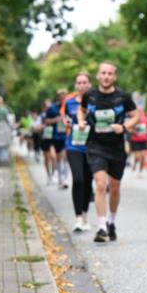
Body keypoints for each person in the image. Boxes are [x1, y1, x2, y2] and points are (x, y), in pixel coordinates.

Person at [77, 60, 138, 243]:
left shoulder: (123, 97)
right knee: (100, 184)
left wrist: (124, 127)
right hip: (96, 146)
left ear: (114, 77)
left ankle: (111, 221)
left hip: (116, 147)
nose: (106, 76)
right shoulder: (90, 96)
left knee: (115, 186)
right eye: (103, 73)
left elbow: (136, 116)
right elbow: (81, 110)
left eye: (110, 73)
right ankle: (102, 227)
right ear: (98, 76)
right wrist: (81, 122)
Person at [62, 72, 94, 232]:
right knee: (78, 179)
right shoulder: (69, 102)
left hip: (91, 147)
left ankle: (85, 214)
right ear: (75, 85)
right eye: (79, 83)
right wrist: (66, 122)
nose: (81, 86)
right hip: (74, 145)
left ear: (89, 85)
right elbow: (64, 118)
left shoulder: (95, 101)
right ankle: (78, 218)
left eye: (84, 82)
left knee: (88, 181)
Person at [44, 91, 69, 188]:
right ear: (58, 98)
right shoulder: (52, 108)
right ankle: (59, 178)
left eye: (65, 97)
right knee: (58, 158)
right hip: (55, 137)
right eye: (61, 97)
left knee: (65, 157)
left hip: (66, 136)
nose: (63, 99)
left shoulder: (69, 106)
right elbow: (46, 121)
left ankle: (64, 179)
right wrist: (56, 119)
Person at [128, 105, 147, 176]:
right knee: (138, 156)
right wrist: (134, 131)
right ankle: (135, 163)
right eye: (138, 111)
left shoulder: (145, 119)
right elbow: (129, 128)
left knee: (143, 157)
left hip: (144, 140)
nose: (139, 112)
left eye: (140, 111)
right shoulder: (133, 119)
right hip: (136, 140)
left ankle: (140, 171)